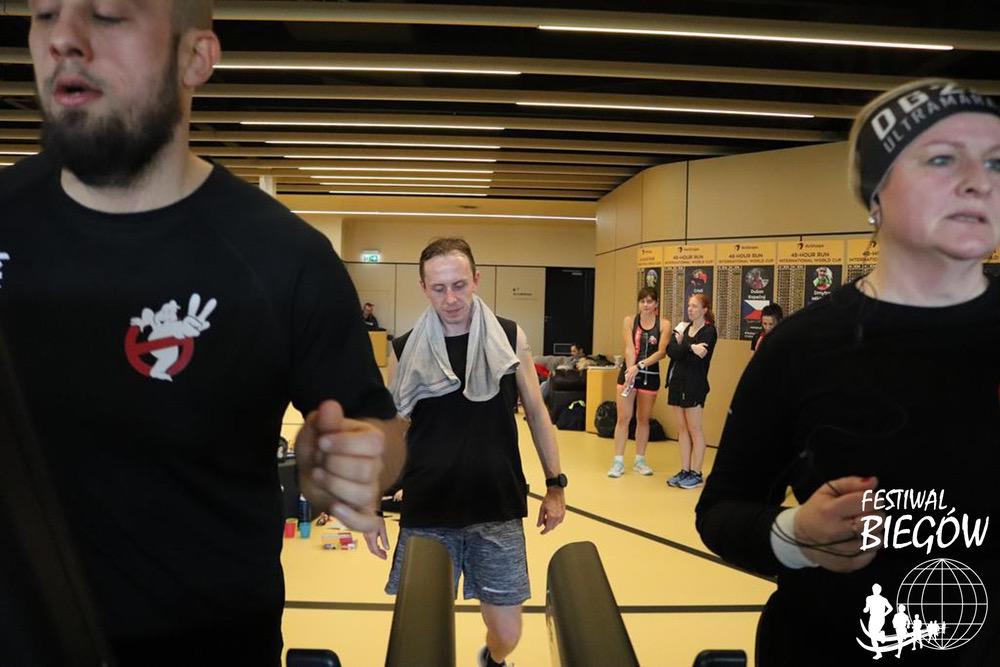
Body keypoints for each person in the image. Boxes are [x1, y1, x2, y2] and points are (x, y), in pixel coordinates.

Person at [0, 2, 405, 664]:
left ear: (196, 58)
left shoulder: (283, 258)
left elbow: (381, 428)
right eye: (44, 13)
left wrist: (358, 461)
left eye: (108, 14)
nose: (63, 39)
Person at [695, 79, 1000, 665]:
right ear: (875, 191)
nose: (979, 181)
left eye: (996, 162)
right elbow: (723, 510)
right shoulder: (801, 346)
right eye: (942, 159)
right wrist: (796, 535)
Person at [363, 238, 566, 667]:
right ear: (423, 287)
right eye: (439, 288)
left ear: (476, 279)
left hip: (496, 504)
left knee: (507, 633)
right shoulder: (404, 349)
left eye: (459, 285)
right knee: (421, 635)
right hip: (428, 509)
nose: (451, 298)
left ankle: (493, 659)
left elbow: (536, 412)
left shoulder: (509, 337)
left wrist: (555, 485)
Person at [608, 287, 671, 478]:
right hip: (630, 373)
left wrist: (640, 365)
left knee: (643, 419)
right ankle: (618, 461)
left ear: (656, 304)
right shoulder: (629, 321)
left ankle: (640, 460)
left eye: (649, 301)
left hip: (649, 375)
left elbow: (661, 352)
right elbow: (629, 347)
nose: (646, 305)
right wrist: (630, 370)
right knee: (623, 418)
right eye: (642, 301)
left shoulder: (664, 324)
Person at [665, 294, 717, 489]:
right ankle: (685, 470)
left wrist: (683, 346)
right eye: (689, 306)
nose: (690, 309)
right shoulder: (682, 327)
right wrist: (690, 347)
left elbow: (698, 358)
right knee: (681, 428)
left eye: (695, 306)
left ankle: (696, 472)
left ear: (704, 309)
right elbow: (671, 351)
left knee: (694, 428)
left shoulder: (709, 331)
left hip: (694, 385)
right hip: (677, 383)